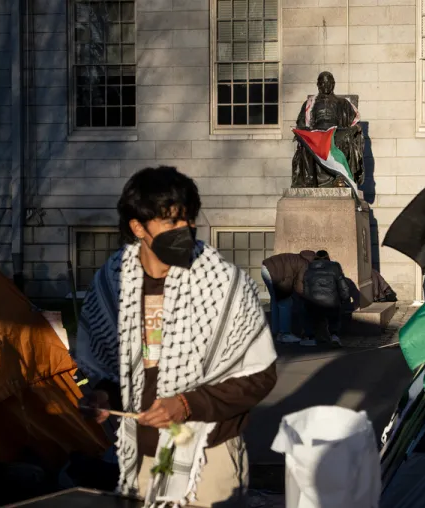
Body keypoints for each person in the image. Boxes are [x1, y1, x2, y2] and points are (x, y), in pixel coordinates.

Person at [74, 167, 278, 507]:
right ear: (138, 227)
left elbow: (259, 376)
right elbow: (112, 371)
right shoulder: (113, 284)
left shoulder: (225, 285)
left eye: (189, 220)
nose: (184, 230)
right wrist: (103, 397)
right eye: (171, 223)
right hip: (140, 459)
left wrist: (186, 404)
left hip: (208, 458)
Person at [261, 250, 315, 344]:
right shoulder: (305, 264)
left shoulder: (297, 258)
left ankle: (276, 331)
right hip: (274, 273)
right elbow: (299, 284)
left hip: (265, 268)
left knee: (275, 300)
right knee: (285, 302)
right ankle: (285, 334)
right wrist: (304, 296)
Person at [301, 250, 351, 347]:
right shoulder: (335, 267)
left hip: (314, 303)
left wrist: (307, 302)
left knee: (309, 314)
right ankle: (334, 336)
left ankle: (311, 337)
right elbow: (343, 286)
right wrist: (344, 298)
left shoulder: (308, 268)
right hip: (331, 302)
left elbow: (306, 290)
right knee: (334, 316)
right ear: (328, 257)